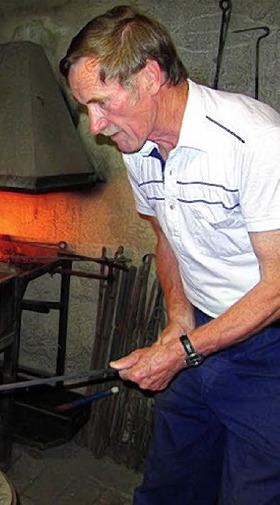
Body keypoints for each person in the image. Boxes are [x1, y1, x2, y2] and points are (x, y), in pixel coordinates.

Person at [61, 5, 280, 505]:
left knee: (253, 493)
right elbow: (167, 239)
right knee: (170, 484)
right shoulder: (137, 147)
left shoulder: (258, 142)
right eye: (85, 109)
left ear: (151, 76)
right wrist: (178, 320)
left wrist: (185, 350)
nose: (96, 126)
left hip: (268, 350)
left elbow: (278, 286)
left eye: (101, 103)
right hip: (198, 328)